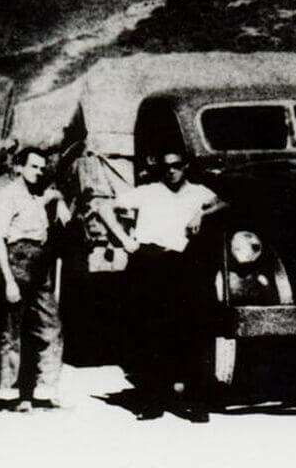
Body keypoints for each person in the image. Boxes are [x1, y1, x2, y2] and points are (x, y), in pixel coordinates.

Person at [112, 150, 225, 422]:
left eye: (176, 166)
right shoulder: (149, 192)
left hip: (184, 265)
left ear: (185, 167)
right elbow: (107, 207)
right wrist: (125, 241)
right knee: (153, 333)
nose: (171, 171)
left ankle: (196, 402)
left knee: (191, 333)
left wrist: (201, 212)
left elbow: (224, 202)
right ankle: (153, 401)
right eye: (166, 167)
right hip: (151, 263)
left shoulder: (198, 192)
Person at [0, 146, 71, 412]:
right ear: (18, 167)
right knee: (12, 332)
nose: (39, 171)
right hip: (16, 262)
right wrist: (9, 281)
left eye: (41, 167)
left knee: (51, 326)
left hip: (40, 264)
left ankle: (45, 391)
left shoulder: (38, 193)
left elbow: (52, 195)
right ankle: (9, 395)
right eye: (33, 167)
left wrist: (59, 201)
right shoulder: (8, 196)